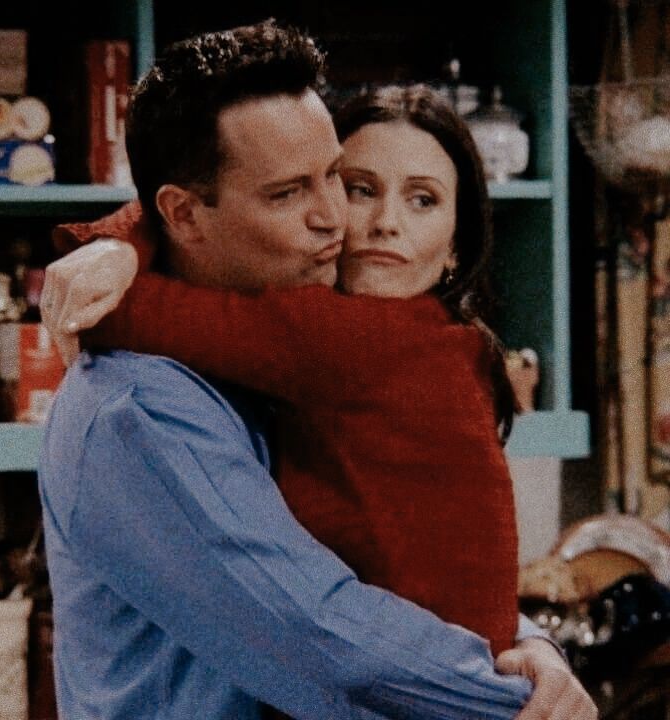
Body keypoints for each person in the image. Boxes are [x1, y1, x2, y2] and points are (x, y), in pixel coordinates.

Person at [39, 20, 597, 720]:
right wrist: (516, 699)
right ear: (181, 214)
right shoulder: (145, 407)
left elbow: (419, 572)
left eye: (334, 175)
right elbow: (329, 638)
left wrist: (530, 646)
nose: (337, 217)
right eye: (289, 194)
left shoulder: (299, 359)